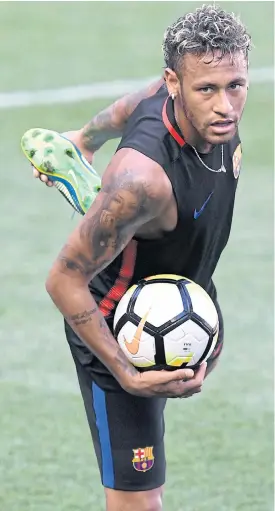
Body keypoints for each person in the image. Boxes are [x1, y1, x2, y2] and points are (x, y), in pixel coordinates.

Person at [24, 5, 252, 511]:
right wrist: (125, 373)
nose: (225, 107)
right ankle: (100, 210)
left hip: (180, 291)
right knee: (138, 502)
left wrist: (84, 139)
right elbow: (63, 280)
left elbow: (131, 106)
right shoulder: (140, 181)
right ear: (175, 82)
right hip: (123, 325)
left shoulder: (183, 103)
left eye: (235, 85)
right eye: (207, 90)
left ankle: (89, 191)